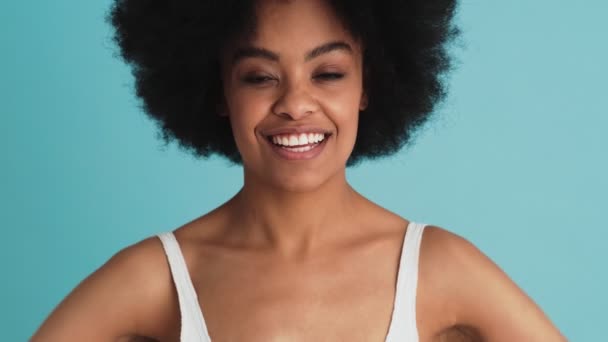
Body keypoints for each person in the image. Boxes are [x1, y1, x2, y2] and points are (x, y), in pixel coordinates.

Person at [32, 0, 567, 341]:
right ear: (219, 91)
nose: (295, 103)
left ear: (368, 86)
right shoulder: (162, 277)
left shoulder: (437, 269)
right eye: (260, 77)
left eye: (328, 73)